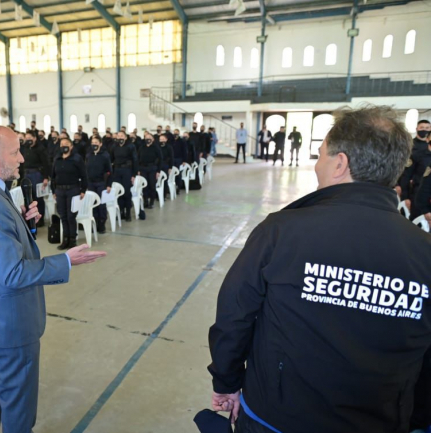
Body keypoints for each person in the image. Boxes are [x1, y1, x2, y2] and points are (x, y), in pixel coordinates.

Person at [208, 105, 431, 433]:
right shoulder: (423, 252)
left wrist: (226, 381)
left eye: (321, 155)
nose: (316, 164)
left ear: (340, 164)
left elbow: (235, 314)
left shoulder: (282, 231)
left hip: (275, 417)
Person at [0, 125, 106, 433]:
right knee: (18, 408)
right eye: (14, 152)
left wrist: (22, 225)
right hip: (9, 326)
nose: (22, 158)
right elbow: (11, 272)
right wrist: (65, 261)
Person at [52, 138, 88, 250]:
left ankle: (73, 240)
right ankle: (65, 240)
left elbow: (84, 175)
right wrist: (53, 190)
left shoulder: (77, 159)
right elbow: (53, 176)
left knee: (71, 216)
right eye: (62, 144)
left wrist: (83, 190)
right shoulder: (57, 159)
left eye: (66, 144)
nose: (64, 146)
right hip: (60, 190)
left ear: (71, 146)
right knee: (63, 216)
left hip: (73, 190)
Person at [398, 120, 431, 217]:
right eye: (422, 128)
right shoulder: (415, 152)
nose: (424, 130)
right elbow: (406, 175)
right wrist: (405, 197)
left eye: (427, 128)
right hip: (418, 194)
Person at [20, 131, 50, 227]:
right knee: (29, 197)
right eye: (26, 138)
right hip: (26, 174)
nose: (28, 140)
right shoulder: (24, 148)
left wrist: (46, 177)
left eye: (30, 138)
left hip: (37, 174)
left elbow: (46, 163)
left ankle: (40, 219)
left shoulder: (40, 149)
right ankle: (30, 218)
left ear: (34, 138)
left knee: (38, 198)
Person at [86, 136, 112, 234]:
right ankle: (95, 223)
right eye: (93, 142)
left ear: (100, 144)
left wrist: (108, 184)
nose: (94, 144)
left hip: (101, 183)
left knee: (101, 204)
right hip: (91, 183)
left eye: (96, 142)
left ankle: (102, 224)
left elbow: (109, 171)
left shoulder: (105, 155)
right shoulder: (89, 155)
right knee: (93, 205)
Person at [110, 131, 138, 222]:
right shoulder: (114, 146)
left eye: (122, 136)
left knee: (126, 192)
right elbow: (111, 159)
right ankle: (120, 211)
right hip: (117, 171)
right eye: (118, 136)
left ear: (126, 138)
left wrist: (134, 174)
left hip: (127, 170)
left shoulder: (130, 146)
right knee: (118, 193)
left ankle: (128, 212)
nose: (120, 137)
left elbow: (135, 160)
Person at [138, 132, 162, 209]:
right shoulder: (141, 147)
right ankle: (145, 201)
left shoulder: (156, 147)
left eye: (149, 137)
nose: (147, 139)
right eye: (146, 137)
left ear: (153, 139)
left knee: (152, 185)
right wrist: (138, 169)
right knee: (144, 186)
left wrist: (158, 171)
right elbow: (138, 159)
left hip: (152, 168)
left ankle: (151, 201)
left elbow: (160, 159)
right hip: (143, 168)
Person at [158, 133, 174, 199]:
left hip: (165, 165)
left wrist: (170, 167)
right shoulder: (157, 146)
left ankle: (164, 195)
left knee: (164, 180)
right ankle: (158, 195)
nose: (162, 140)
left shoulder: (169, 147)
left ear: (166, 140)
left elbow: (171, 157)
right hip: (158, 165)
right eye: (160, 139)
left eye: (163, 139)